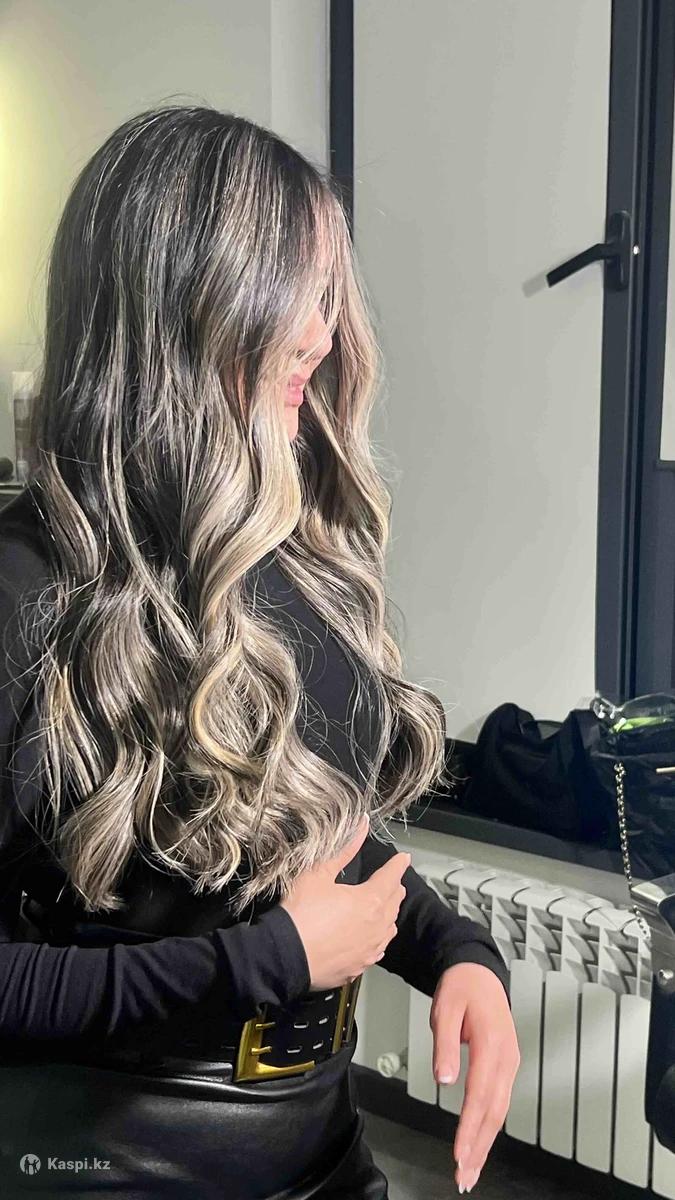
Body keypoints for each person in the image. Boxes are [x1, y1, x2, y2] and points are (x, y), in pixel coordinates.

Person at [0, 104, 519, 1198]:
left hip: (322, 1151)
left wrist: (452, 949)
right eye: (295, 294)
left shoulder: (287, 555)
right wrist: (265, 964)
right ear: (187, 297)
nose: (322, 337)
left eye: (329, 297)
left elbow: (296, 833)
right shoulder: (21, 588)